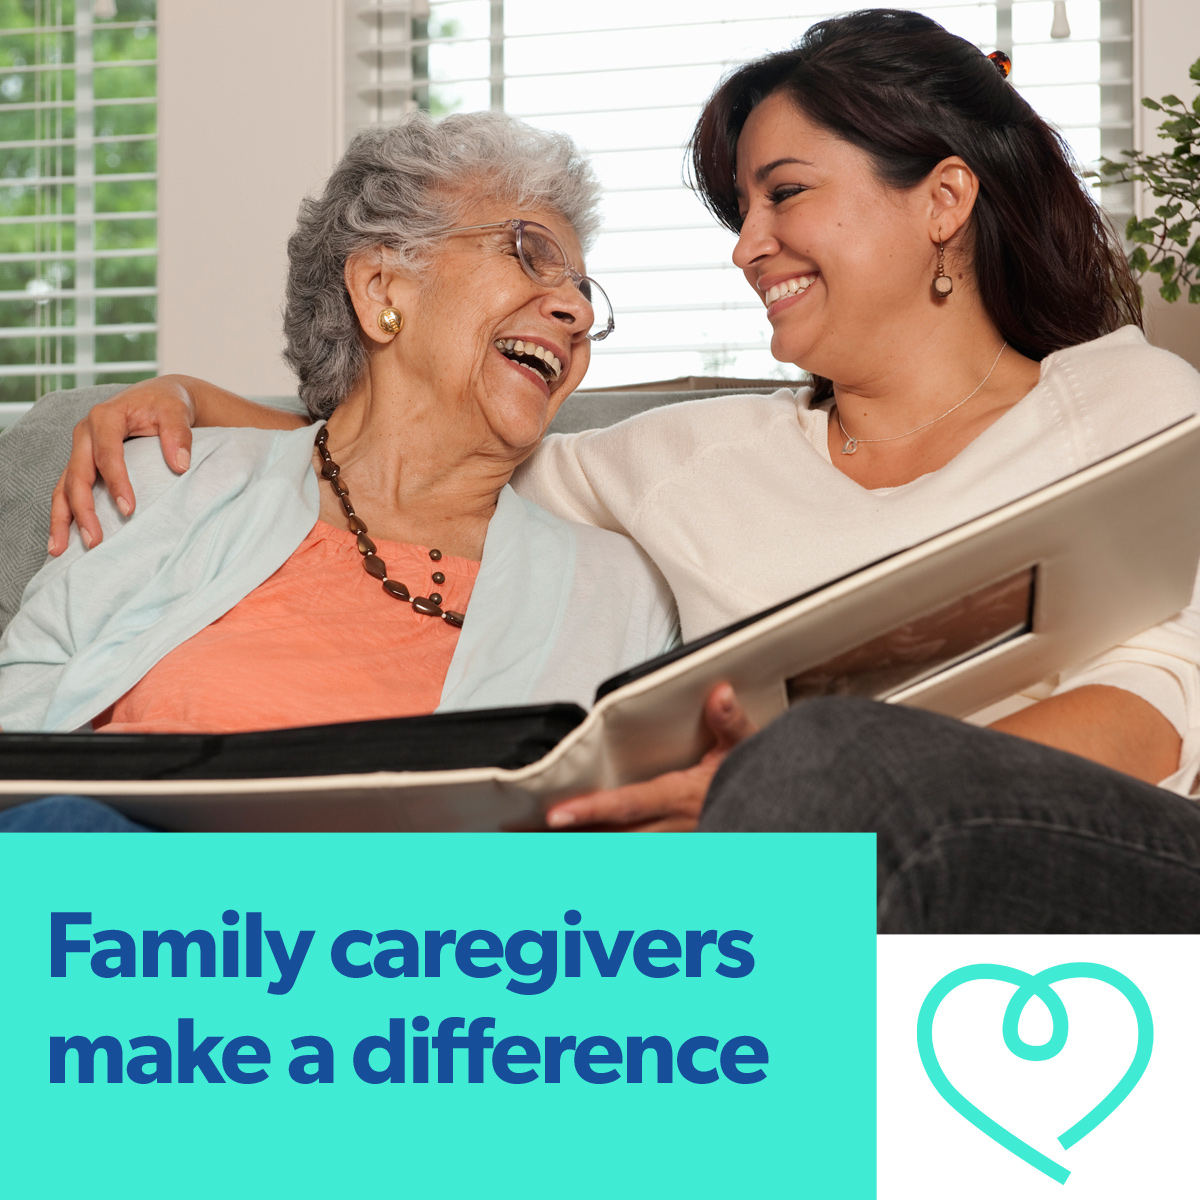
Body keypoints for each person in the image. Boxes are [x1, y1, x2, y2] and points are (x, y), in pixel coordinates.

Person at [41, 11, 1200, 928]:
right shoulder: (681, 464)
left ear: (944, 199)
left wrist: (792, 807)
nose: (749, 246)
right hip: (804, 919)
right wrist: (200, 408)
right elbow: (421, 454)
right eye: (739, 210)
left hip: (1108, 875)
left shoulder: (1135, 401)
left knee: (812, 765)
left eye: (785, 193)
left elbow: (1163, 699)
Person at [0, 111, 681, 757]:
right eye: (529, 253)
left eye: (585, 292)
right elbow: (20, 712)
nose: (577, 312)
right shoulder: (168, 480)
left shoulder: (620, 591)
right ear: (382, 287)